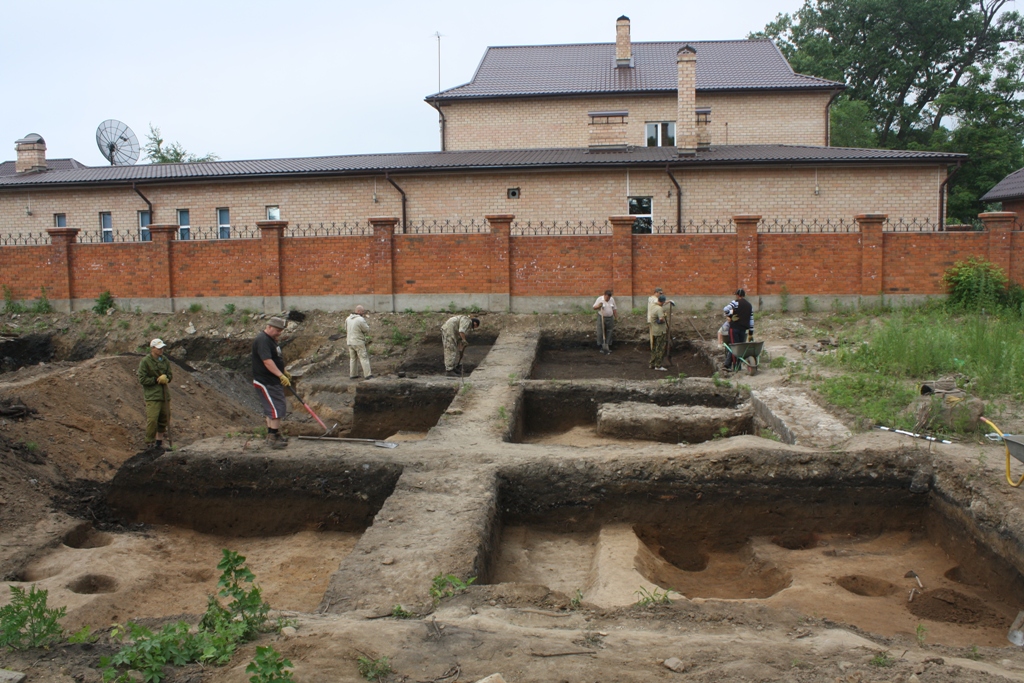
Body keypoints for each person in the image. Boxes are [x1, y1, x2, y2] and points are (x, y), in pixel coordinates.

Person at [252, 316, 291, 449]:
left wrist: (283, 371)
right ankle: (272, 438)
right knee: (277, 407)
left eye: (281, 330)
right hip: (267, 380)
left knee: (272, 408)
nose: (279, 332)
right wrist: (280, 375)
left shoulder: (271, 340)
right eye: (277, 330)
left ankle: (273, 434)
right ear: (269, 327)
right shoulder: (263, 340)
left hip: (271, 380)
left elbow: (275, 359)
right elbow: (267, 361)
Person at [137, 338, 172, 452]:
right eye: (159, 348)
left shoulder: (165, 360)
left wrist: (166, 378)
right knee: (152, 419)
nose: (161, 350)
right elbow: (142, 379)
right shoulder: (146, 361)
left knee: (164, 418)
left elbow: (170, 375)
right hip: (152, 395)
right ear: (152, 349)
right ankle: (149, 442)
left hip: (164, 394)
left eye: (162, 348)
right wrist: (156, 380)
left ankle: (159, 442)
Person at [723, 288, 754, 371]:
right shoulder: (749, 305)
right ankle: (733, 365)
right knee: (740, 347)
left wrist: (729, 315)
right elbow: (751, 320)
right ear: (744, 295)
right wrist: (751, 333)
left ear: (737, 295)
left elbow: (725, 309)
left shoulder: (735, 303)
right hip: (743, 330)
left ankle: (732, 366)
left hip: (734, 328)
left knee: (734, 346)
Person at [346, 305, 373, 380]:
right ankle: (368, 375)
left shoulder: (348, 319)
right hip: (358, 342)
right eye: (362, 311)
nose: (363, 313)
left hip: (349, 341)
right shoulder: (360, 319)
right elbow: (366, 330)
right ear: (359, 311)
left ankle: (353, 374)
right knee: (363, 357)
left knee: (353, 358)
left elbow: (346, 329)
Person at [649, 295, 669, 371]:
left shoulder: (653, 306)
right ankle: (658, 365)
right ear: (663, 302)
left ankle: (652, 363)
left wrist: (669, 301)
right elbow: (661, 319)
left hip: (654, 330)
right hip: (660, 331)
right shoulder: (659, 309)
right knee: (660, 348)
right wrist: (665, 316)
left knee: (654, 348)